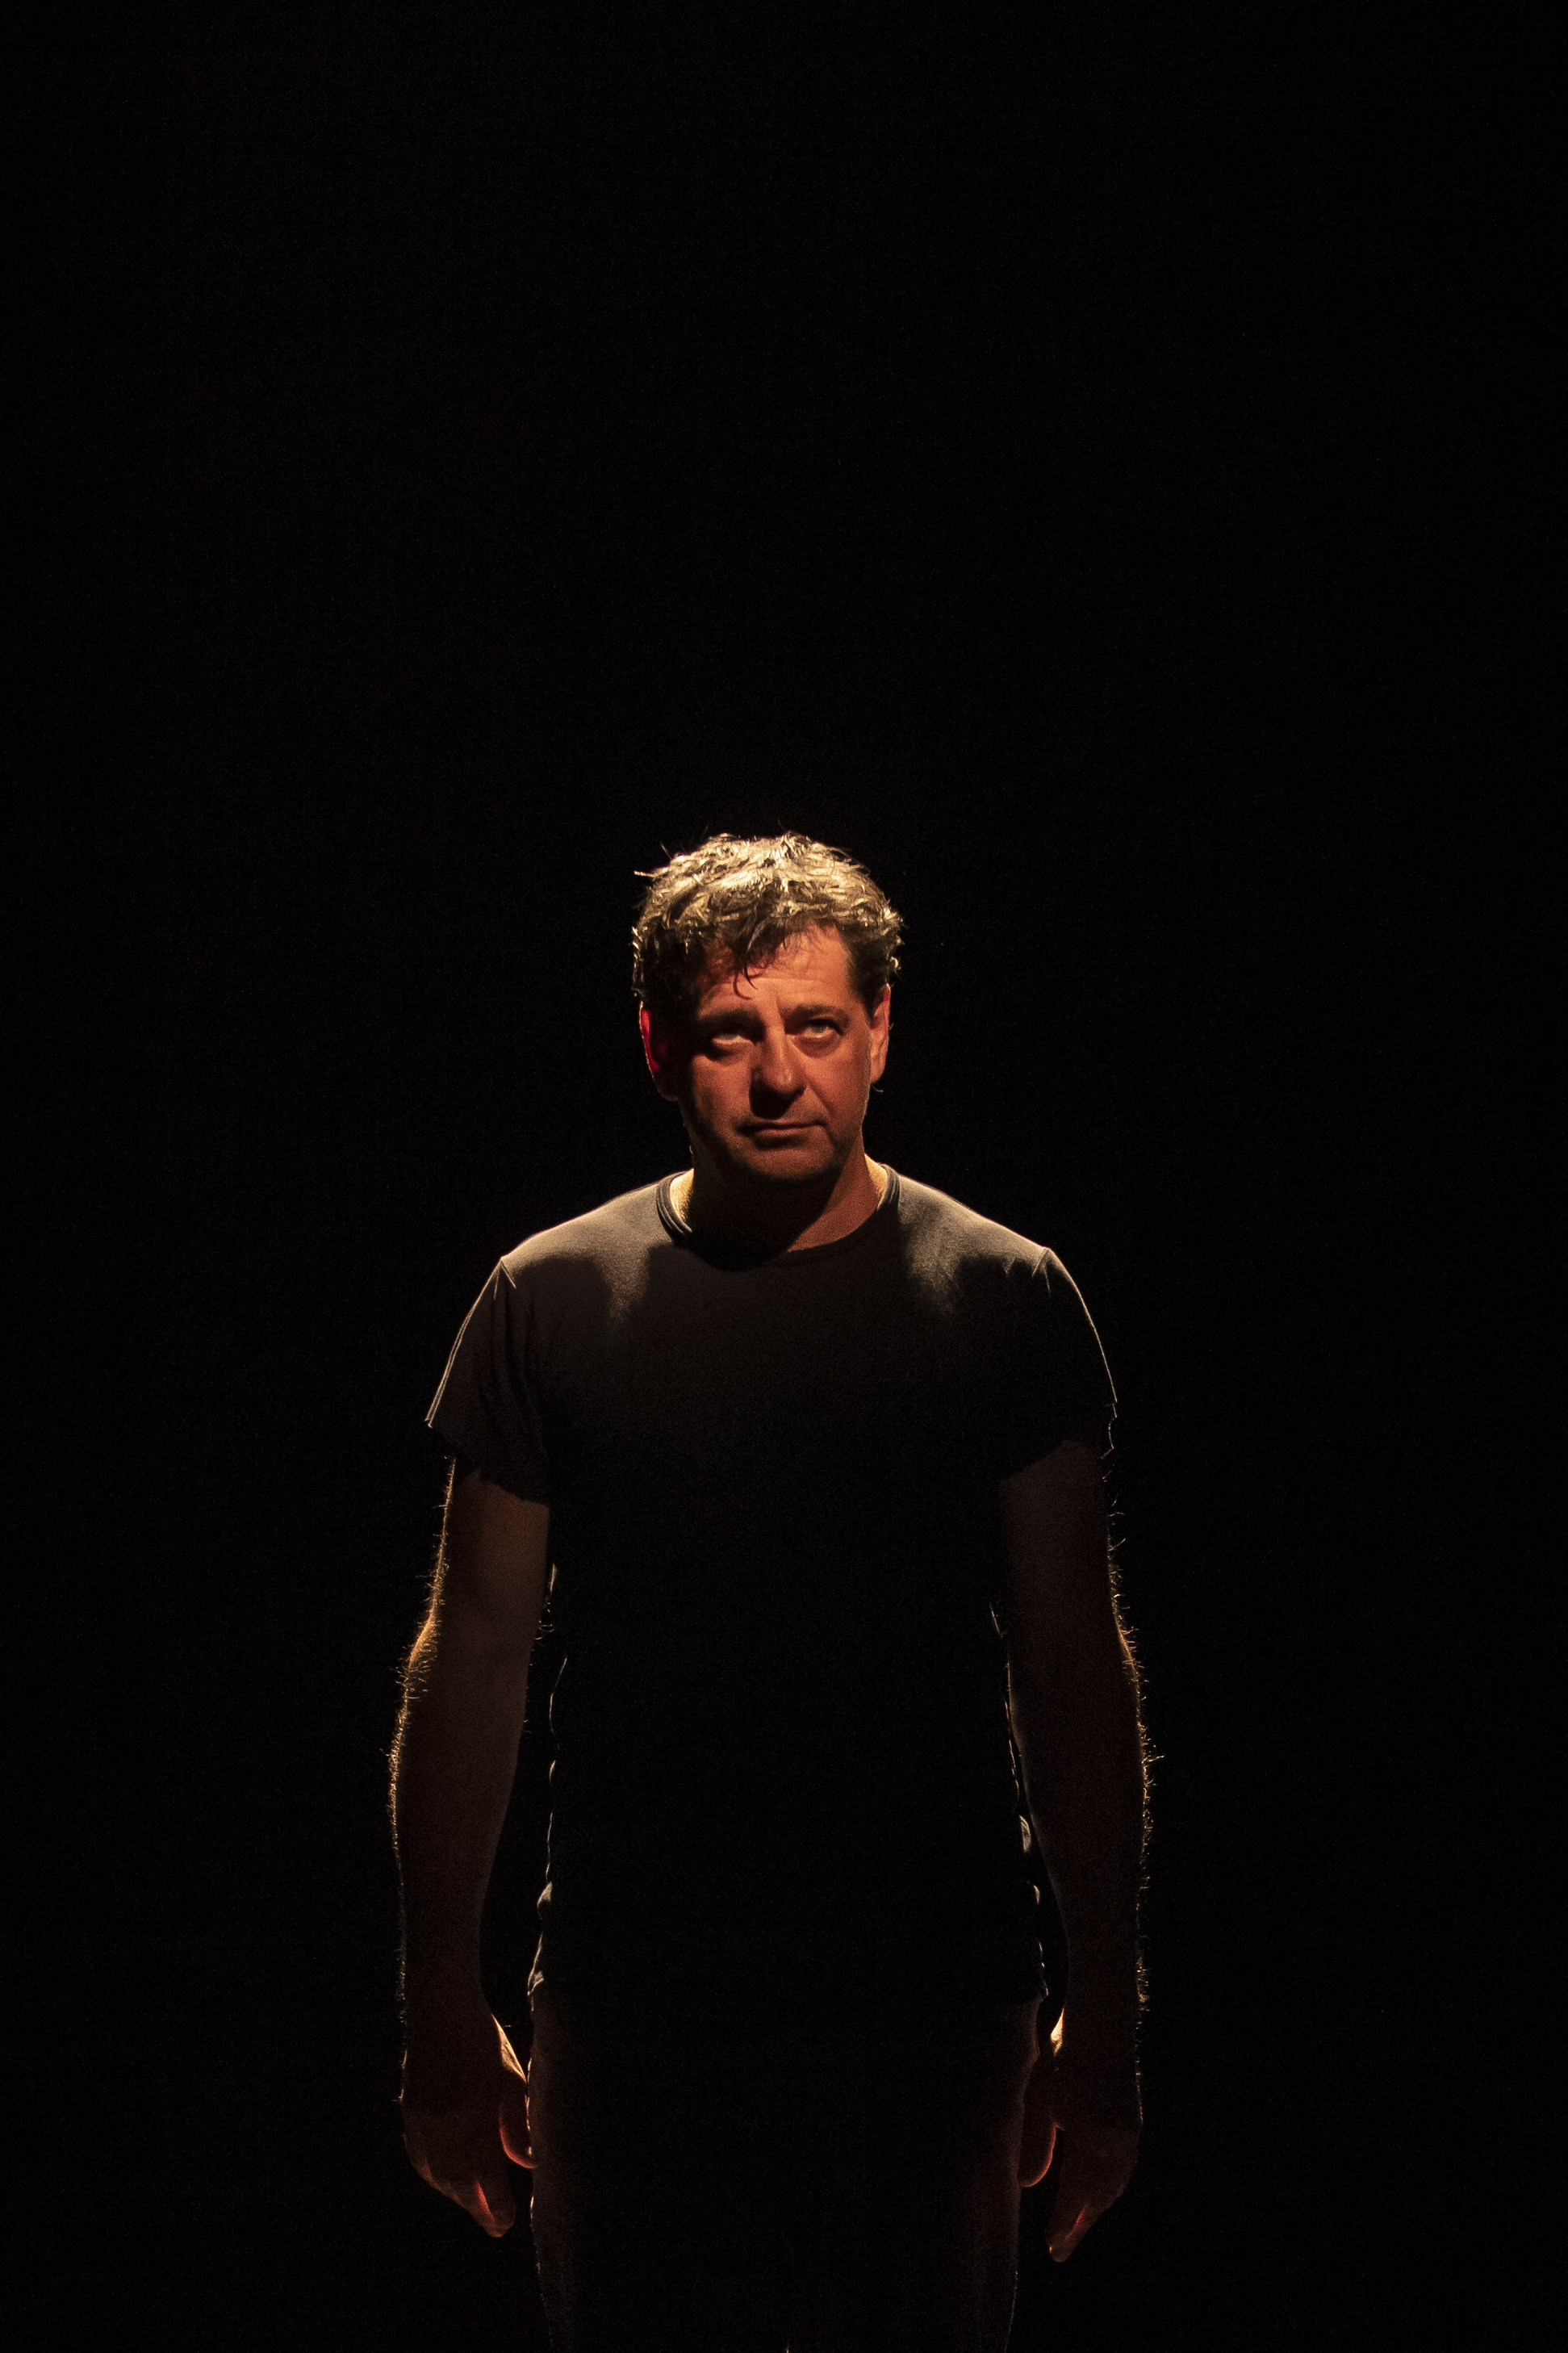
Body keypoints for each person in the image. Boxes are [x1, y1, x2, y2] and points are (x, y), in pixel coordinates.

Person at [391, 833, 1147, 2350]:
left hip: (933, 2013)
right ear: (659, 1049)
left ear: (881, 1032)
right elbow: (470, 1666)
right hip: (635, 2008)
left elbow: (1072, 1669)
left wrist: (1110, 2023)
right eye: (732, 1033)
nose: (779, 1077)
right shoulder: (552, 1300)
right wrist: (439, 2016)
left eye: (816, 1026)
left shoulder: (1003, 1298)